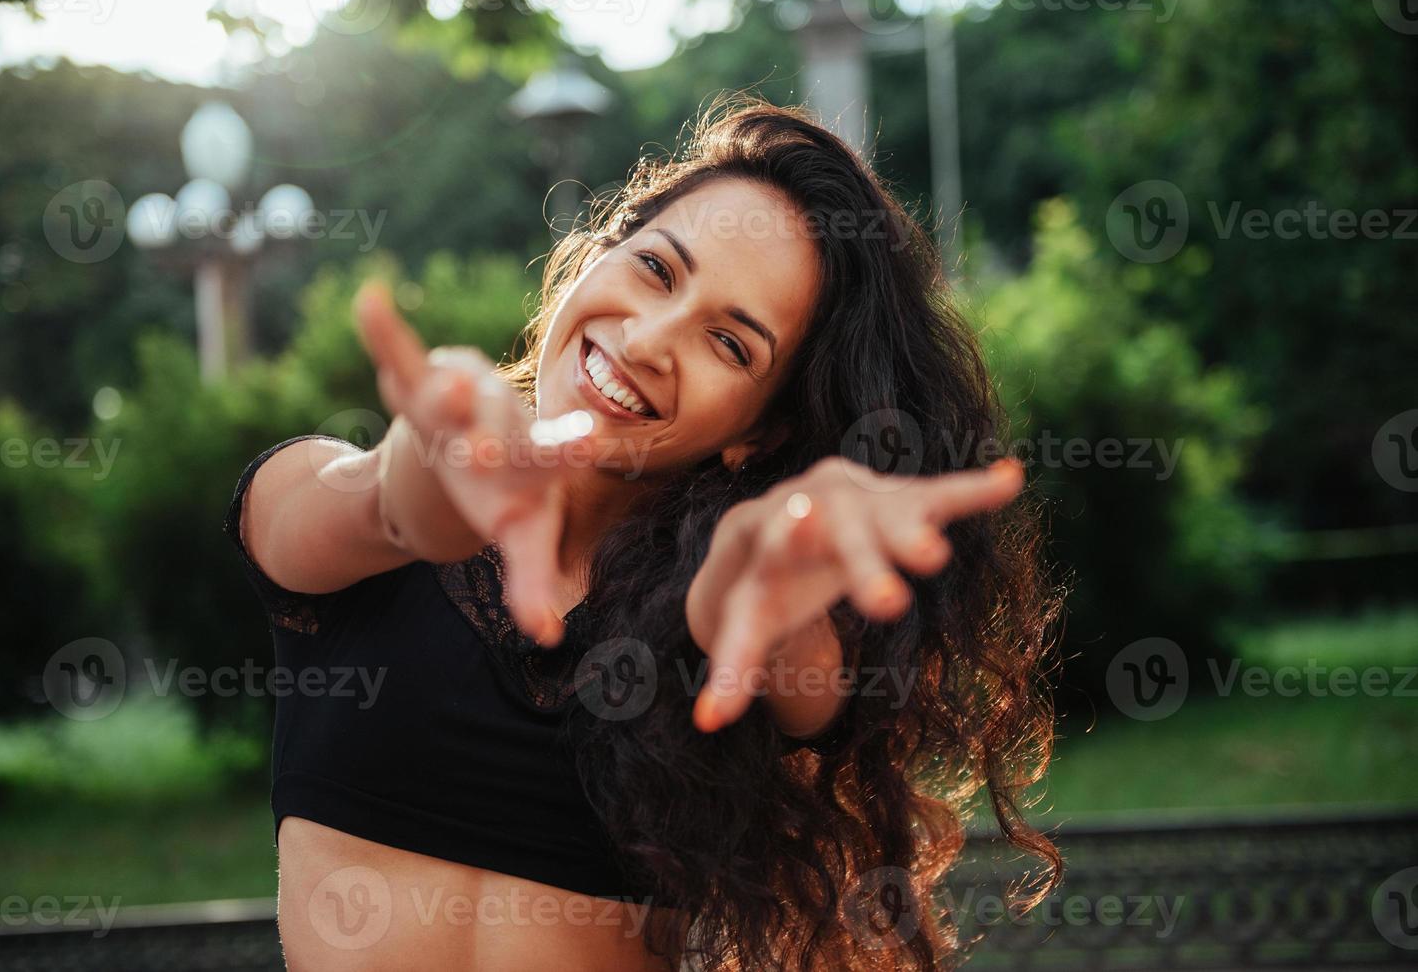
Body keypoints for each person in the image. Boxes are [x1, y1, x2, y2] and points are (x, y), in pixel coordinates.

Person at [224, 94, 1062, 972]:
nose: (651, 338)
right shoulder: (311, 501)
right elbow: (360, 506)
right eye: (658, 270)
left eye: (731, 345)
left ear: (760, 432)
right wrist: (416, 489)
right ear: (598, 252)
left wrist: (758, 590)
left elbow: (807, 686)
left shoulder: (732, 612)